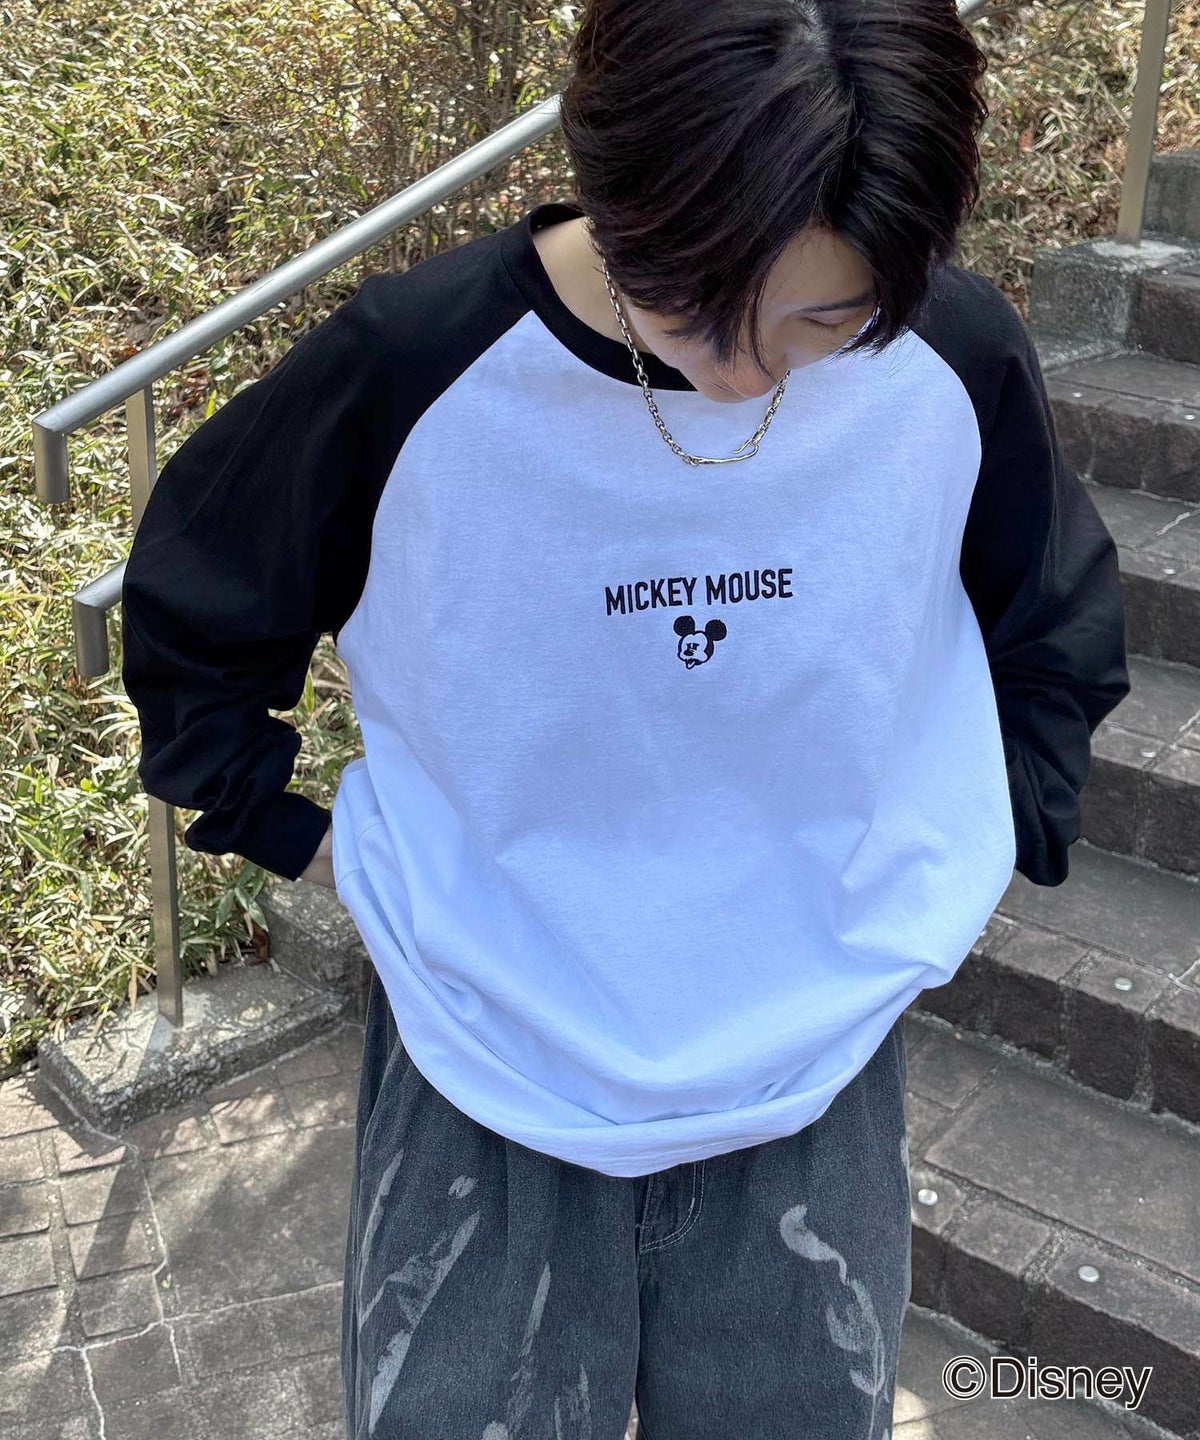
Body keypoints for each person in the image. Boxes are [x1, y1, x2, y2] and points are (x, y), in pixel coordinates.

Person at [119, 0, 1131, 1435]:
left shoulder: (947, 359)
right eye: (695, 307)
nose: (746, 372)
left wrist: (976, 844)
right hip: (486, 1062)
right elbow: (198, 610)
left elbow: (1053, 616)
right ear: (616, 183)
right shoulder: (416, 364)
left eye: (822, 321)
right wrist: (303, 836)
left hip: (816, 1072)